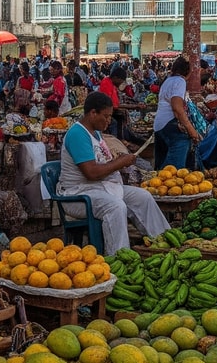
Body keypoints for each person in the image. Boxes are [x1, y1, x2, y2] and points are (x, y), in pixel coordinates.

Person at [57, 92, 170, 255]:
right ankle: (119, 257)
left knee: (143, 197)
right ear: (93, 113)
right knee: (115, 206)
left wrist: (120, 161)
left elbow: (102, 163)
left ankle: (164, 243)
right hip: (78, 195)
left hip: (100, 188)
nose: (109, 121)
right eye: (106, 116)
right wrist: (119, 163)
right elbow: (91, 173)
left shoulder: (95, 133)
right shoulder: (77, 134)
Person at [152, 57, 201, 170]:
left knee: (161, 164)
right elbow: (177, 109)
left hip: (159, 125)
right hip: (168, 124)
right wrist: (192, 131)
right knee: (174, 170)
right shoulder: (180, 81)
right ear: (187, 71)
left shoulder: (168, 80)